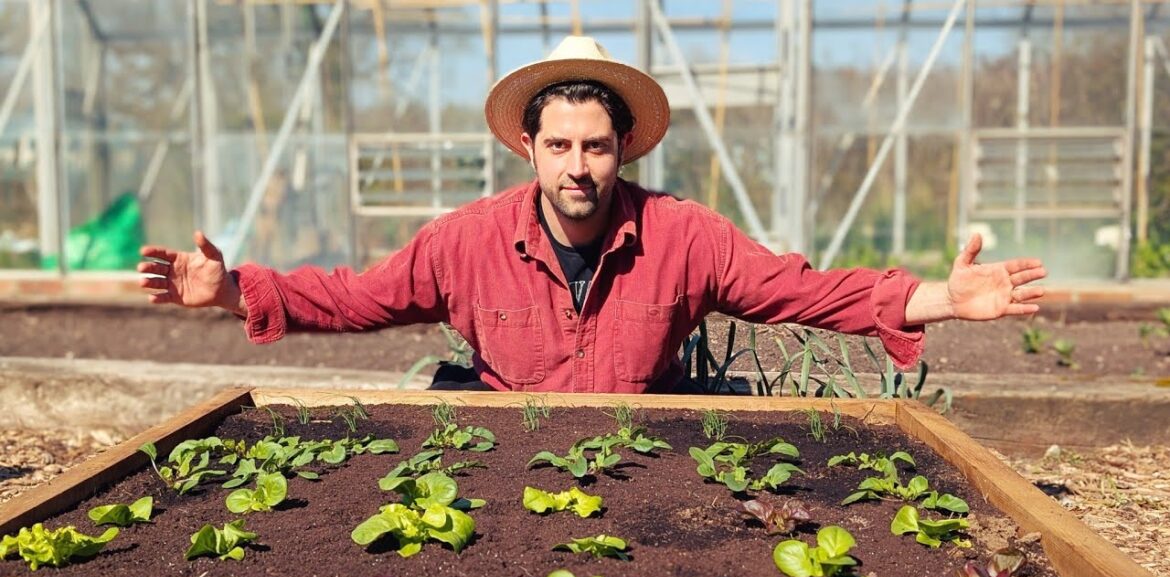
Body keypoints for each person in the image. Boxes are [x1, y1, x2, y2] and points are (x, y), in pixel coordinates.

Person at [138, 36, 1046, 394]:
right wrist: (231, 293)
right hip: (500, 476)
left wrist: (942, 299)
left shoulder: (684, 236)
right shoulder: (465, 243)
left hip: (646, 466)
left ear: (625, 149)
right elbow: (353, 297)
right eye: (562, 146)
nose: (580, 167)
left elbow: (804, 293)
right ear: (528, 148)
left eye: (597, 147)